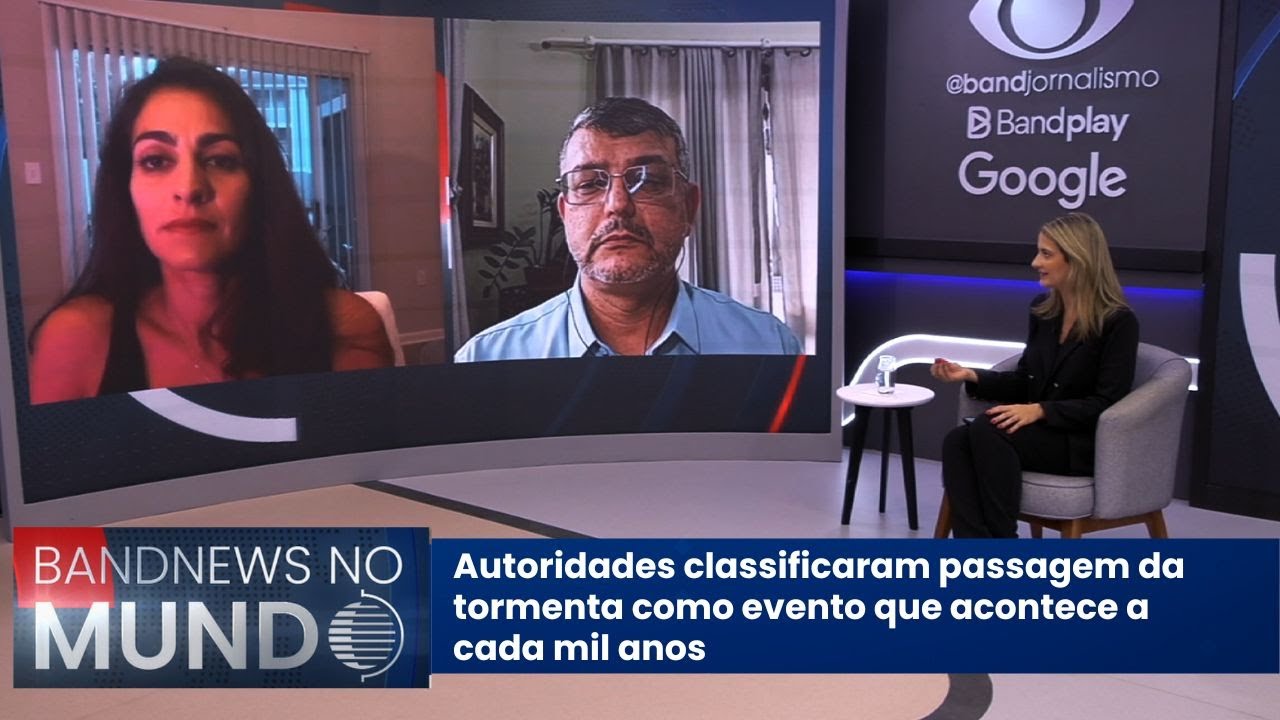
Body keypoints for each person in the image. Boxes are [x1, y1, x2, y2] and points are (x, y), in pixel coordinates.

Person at [29, 57, 392, 403]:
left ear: (259, 184)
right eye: (156, 161)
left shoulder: (344, 331)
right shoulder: (76, 340)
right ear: (126, 188)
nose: (189, 187)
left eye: (220, 160)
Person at [454, 97, 801, 362]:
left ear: (688, 207)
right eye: (590, 184)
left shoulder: (770, 346)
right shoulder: (487, 360)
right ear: (564, 213)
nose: (618, 204)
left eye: (647, 181)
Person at [930, 212, 1139, 538]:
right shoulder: (1043, 311)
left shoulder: (1118, 323)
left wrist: (1041, 410)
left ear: (1078, 259)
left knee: (987, 429)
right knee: (957, 441)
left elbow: (1106, 402)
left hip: (1079, 442)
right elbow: (1026, 380)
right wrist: (970, 375)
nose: (1035, 262)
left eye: (1045, 254)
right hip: (1039, 434)